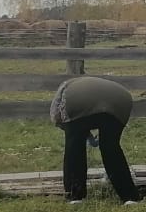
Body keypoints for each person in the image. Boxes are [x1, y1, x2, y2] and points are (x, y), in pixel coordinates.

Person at [50, 75, 141, 204]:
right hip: (121, 99)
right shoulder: (76, 84)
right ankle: (130, 197)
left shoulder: (62, 98)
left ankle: (75, 196)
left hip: (78, 100)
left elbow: (61, 118)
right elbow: (91, 116)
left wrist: (74, 133)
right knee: (110, 147)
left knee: (74, 146)